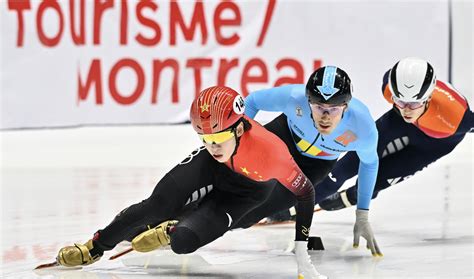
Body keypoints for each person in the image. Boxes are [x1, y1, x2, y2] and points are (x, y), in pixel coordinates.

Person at [55, 86, 327, 279]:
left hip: (247, 193)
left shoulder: (273, 155)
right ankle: (94, 247)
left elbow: (306, 193)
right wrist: (213, 146)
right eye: (204, 140)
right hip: (212, 171)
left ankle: (173, 229)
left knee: (183, 242)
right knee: (156, 205)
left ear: (240, 128)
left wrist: (302, 252)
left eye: (219, 139)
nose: (213, 147)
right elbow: (213, 149)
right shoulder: (213, 152)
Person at [245, 66, 382, 256]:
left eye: (333, 109)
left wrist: (362, 215)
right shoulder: (294, 96)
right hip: (284, 137)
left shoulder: (362, 126)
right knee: (238, 174)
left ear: (346, 106)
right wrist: (239, 144)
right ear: (308, 101)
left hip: (316, 164)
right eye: (319, 107)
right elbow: (252, 102)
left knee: (258, 210)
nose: (325, 117)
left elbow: (369, 163)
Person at [315, 57, 473, 212]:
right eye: (401, 101)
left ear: (428, 98)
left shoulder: (457, 118)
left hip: (434, 146)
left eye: (414, 103)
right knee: (343, 169)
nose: (407, 110)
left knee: (371, 184)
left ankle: (352, 197)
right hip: (397, 123)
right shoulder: (390, 87)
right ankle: (297, 205)